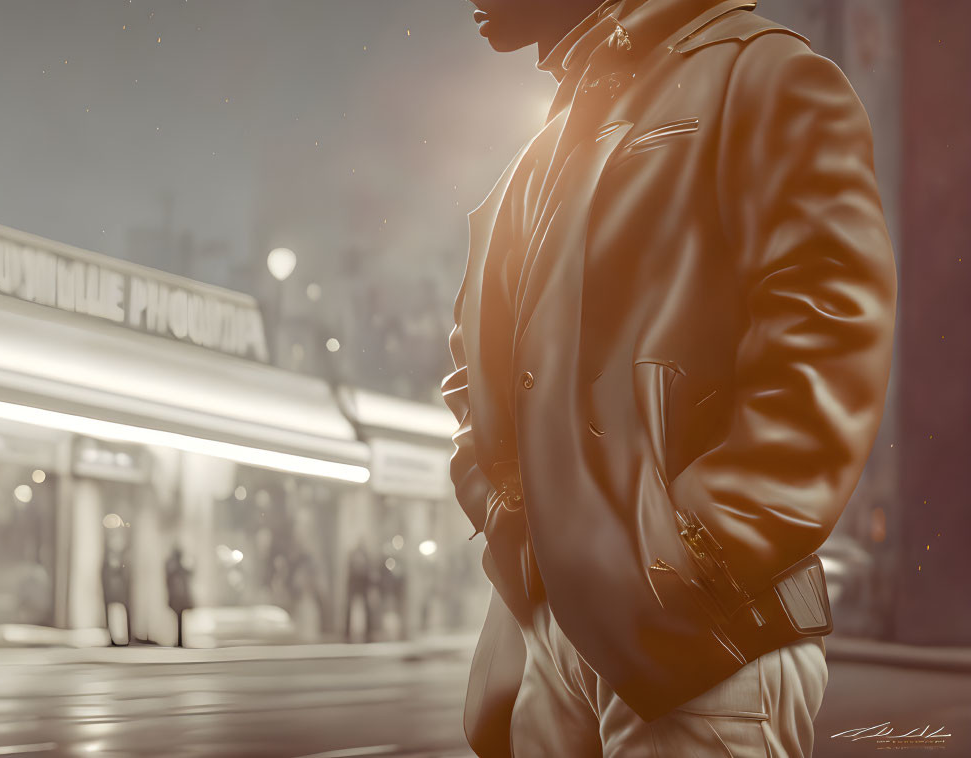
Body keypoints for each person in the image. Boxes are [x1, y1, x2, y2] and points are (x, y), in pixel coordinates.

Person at [447, 1, 896, 755]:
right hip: (558, 642)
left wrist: (691, 560)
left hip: (707, 644)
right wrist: (517, 540)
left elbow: (828, 329)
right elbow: (474, 380)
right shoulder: (543, 153)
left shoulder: (761, 73)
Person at [100, 541, 132, 646]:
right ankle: (112, 637)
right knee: (111, 613)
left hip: (120, 592)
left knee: (123, 612)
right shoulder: (106, 564)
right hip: (111, 592)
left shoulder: (123, 563)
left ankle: (125, 637)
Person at [164, 547, 194, 648]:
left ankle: (179, 640)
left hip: (178, 599)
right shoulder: (177, 569)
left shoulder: (174, 568)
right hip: (178, 599)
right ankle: (179, 640)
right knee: (178, 620)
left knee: (178, 620)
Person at [344, 545, 373, 643]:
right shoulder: (353, 566)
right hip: (354, 589)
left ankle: (369, 633)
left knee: (366, 610)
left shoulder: (365, 567)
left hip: (362, 589)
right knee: (350, 610)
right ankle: (347, 634)